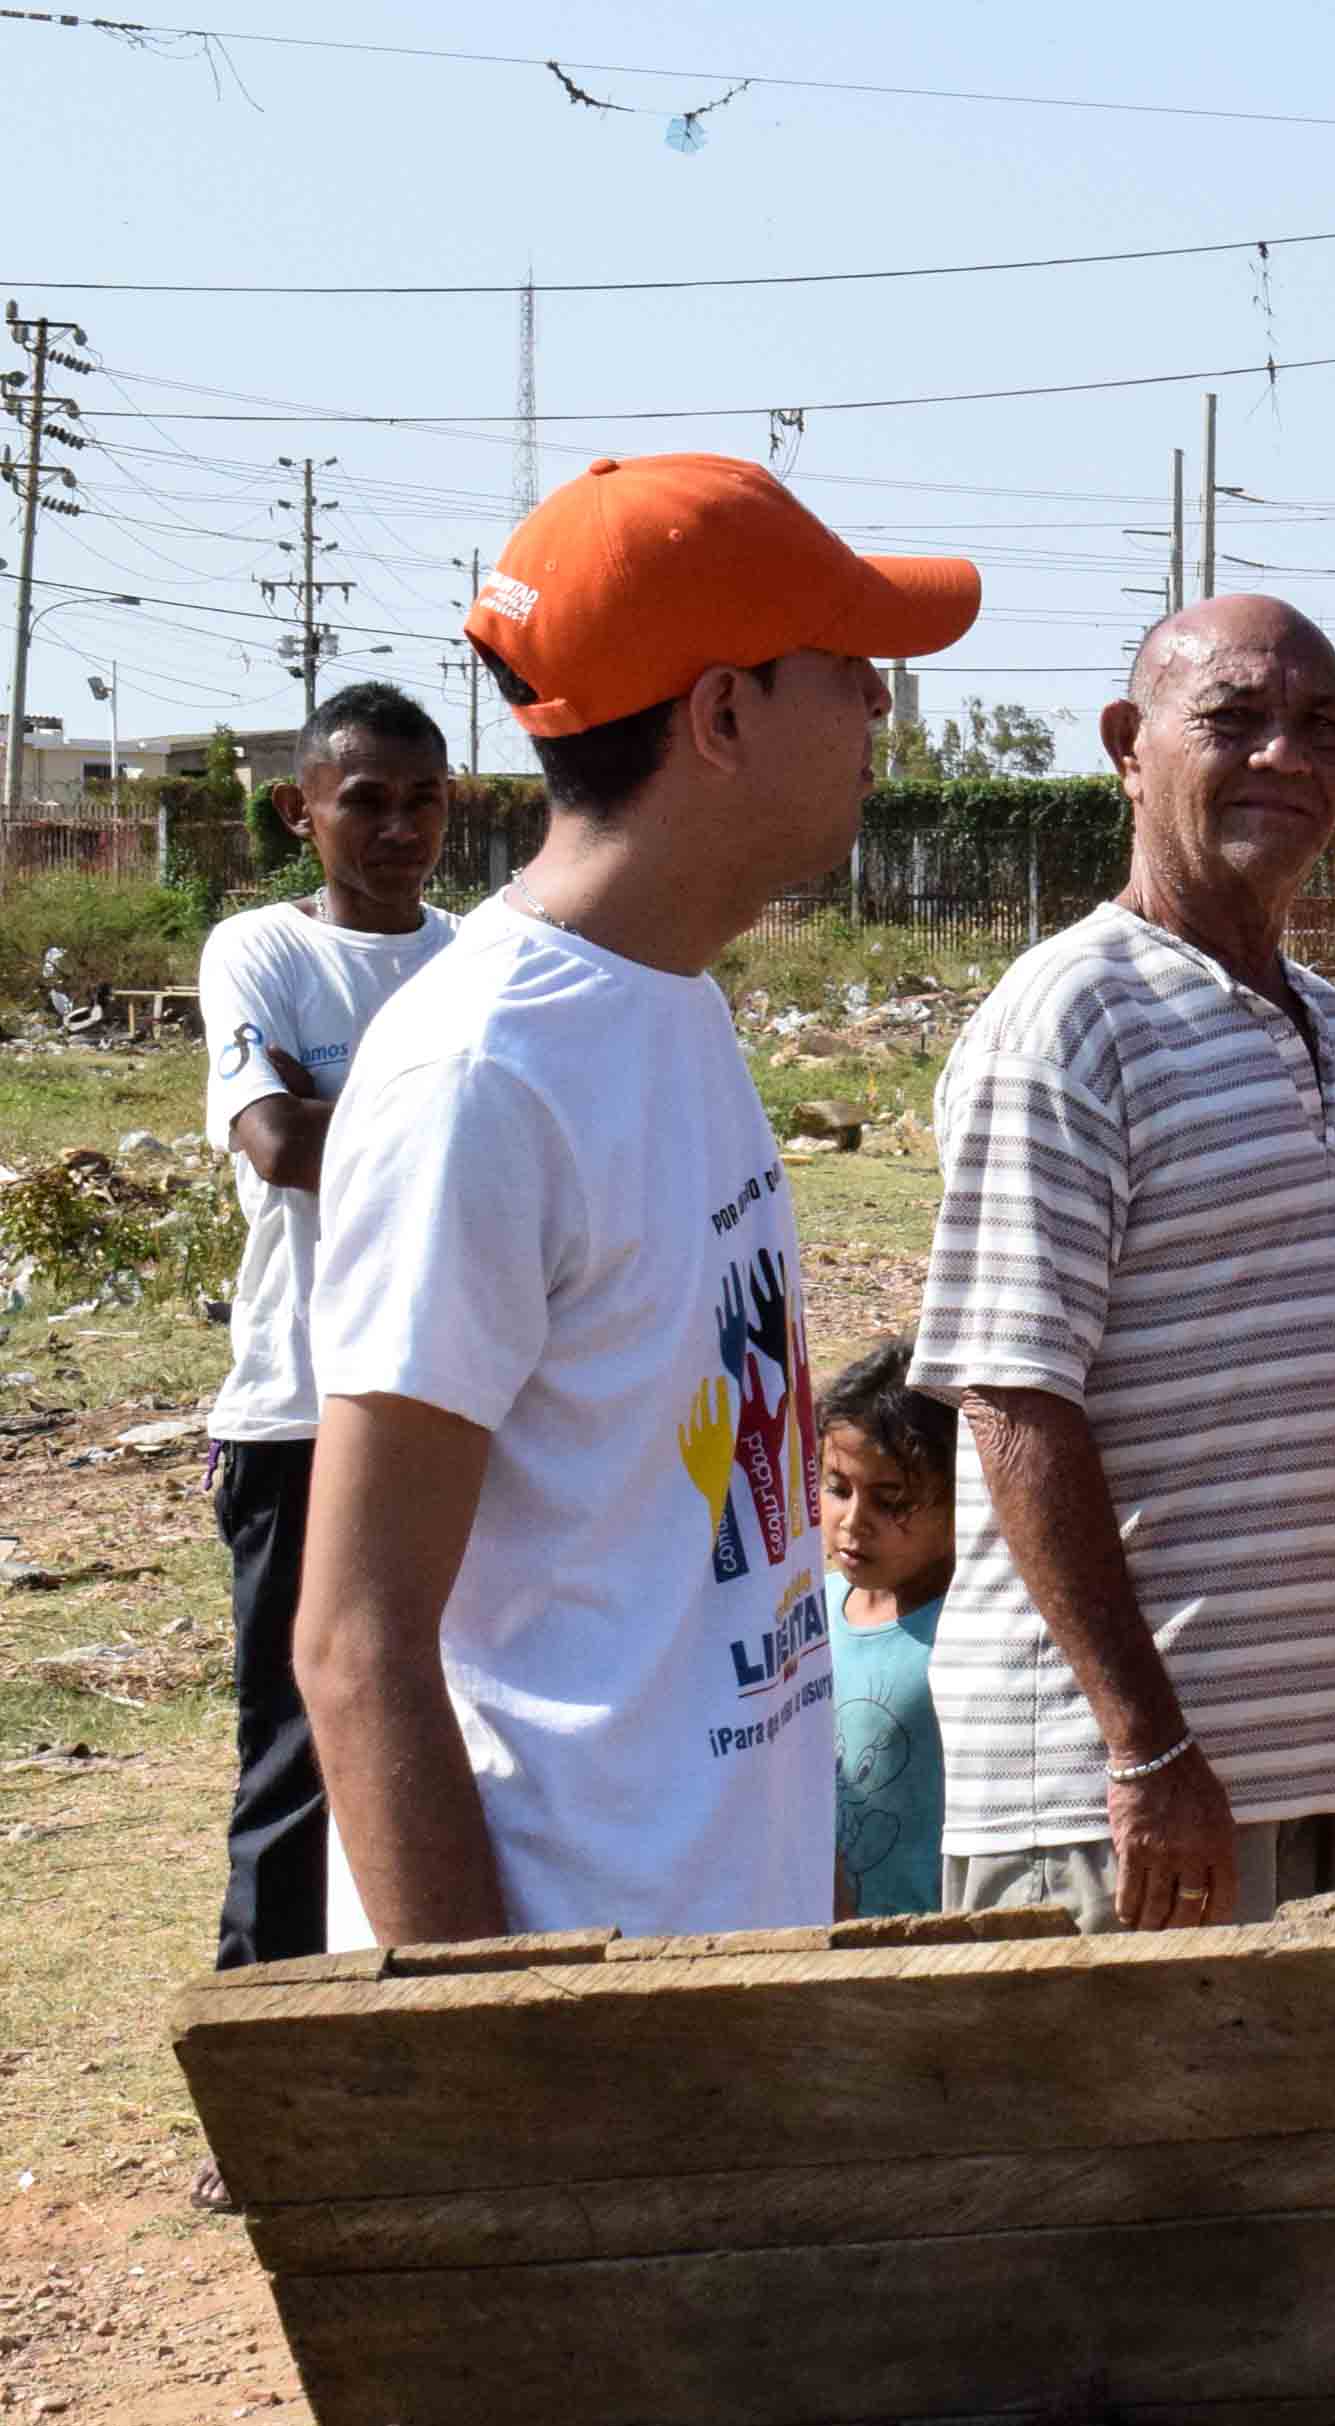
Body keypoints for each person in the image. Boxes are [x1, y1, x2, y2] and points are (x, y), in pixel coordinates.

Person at [298, 454, 975, 1945]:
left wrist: (814, 1876)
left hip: (734, 1966)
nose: (879, 706)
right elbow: (356, 1641)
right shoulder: (485, 1075)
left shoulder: (675, 1004)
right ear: (722, 713)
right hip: (588, 2016)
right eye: (849, 667)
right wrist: (499, 2060)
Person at [909, 596, 1335, 1936]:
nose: (1286, 757)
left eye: (1320, 726)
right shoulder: (1070, 1016)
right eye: (1235, 719)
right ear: (1129, 748)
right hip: (1124, 1801)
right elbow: (1016, 1400)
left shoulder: (1328, 1019)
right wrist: (1142, 1744)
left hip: (1324, 1775)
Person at [193, 679, 456, 1971]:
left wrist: (341, 1107)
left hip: (453, 1405)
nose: (398, 827)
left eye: (424, 800)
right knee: (297, 1750)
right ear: (303, 811)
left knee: (447, 1726)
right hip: (300, 1407)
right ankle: (267, 2053)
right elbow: (276, 1137)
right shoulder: (263, 953)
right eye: (366, 800)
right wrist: (459, 1121)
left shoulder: (479, 956)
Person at [818, 1338, 955, 1921]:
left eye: (890, 1499)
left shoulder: (965, 1633)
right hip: (809, 1946)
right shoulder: (808, 1613)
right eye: (838, 1488)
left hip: (927, 1947)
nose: (853, 1523)